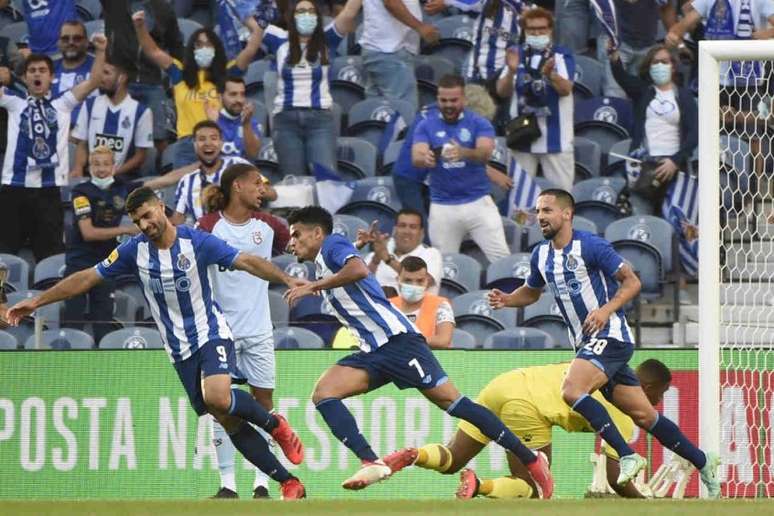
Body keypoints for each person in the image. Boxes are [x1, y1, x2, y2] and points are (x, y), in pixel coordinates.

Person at [5, 186, 308, 500]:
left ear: (161, 208)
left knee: (218, 397)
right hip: (179, 349)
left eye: (147, 216)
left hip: (211, 332)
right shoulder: (133, 251)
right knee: (226, 418)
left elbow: (245, 260)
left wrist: (286, 279)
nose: (144, 225)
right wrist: (37, 301)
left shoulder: (197, 242)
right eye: (137, 221)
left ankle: (275, 425)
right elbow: (87, 278)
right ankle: (288, 481)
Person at [282, 206, 553, 496]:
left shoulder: (332, 246)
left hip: (398, 342)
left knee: (454, 403)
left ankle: (530, 458)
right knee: (324, 392)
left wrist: (316, 285)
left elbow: (358, 269)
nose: (291, 242)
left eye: (297, 234)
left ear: (317, 233)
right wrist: (357, 247)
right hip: (372, 350)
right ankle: (370, 460)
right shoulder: (330, 255)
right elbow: (352, 263)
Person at [485, 188, 721, 497]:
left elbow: (632, 281)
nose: (540, 217)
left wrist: (604, 310)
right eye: (538, 211)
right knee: (644, 415)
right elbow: (531, 292)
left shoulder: (591, 246)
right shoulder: (541, 254)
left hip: (611, 336)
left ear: (566, 214)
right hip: (586, 343)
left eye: (547, 210)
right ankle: (704, 461)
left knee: (572, 390)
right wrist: (507, 299)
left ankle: (627, 455)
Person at [387, 359, 674, 499]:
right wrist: (647, 503)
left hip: (504, 382)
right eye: (660, 394)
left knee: (451, 460)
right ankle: (479, 486)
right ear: (646, 388)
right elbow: (616, 480)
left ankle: (416, 455)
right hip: (526, 407)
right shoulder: (622, 409)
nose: (659, 402)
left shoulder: (598, 369)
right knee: (535, 489)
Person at [197, 163, 291, 499]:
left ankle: (262, 483)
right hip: (220, 332)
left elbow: (294, 245)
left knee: (263, 406)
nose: (263, 190)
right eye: (257, 184)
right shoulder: (208, 226)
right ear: (238, 186)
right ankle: (227, 484)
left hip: (259, 330)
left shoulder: (270, 227)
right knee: (220, 408)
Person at [0, 36, 106, 261]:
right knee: (4, 254)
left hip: (48, 192)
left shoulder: (63, 104)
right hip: (13, 188)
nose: (37, 74)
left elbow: (95, 80)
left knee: (50, 255)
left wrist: (101, 51)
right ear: (25, 77)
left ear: (52, 77)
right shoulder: (13, 102)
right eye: (32, 70)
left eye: (42, 70)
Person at [132, 10, 264, 168]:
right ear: (192, 49)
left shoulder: (227, 74)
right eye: (199, 44)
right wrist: (140, 27)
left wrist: (253, 25)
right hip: (187, 145)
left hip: (217, 142)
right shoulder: (179, 74)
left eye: (209, 44)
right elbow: (152, 51)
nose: (204, 48)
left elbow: (250, 51)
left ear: (216, 49)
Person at [411, 74, 510, 263]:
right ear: (437, 99)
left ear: (463, 99)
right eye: (443, 100)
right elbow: (416, 156)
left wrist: (463, 152)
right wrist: (427, 158)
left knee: (501, 259)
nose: (448, 104)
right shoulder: (426, 125)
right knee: (443, 265)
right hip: (443, 206)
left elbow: (485, 153)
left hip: (478, 203)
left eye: (454, 100)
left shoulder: (479, 123)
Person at [258, 0, 362, 176]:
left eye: (310, 11)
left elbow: (350, 12)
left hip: (320, 120)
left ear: (317, 16)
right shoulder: (278, 39)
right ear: (292, 17)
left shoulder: (327, 39)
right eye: (301, 11)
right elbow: (251, 18)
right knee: (294, 182)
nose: (306, 15)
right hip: (286, 121)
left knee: (326, 180)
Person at [63, 146, 140, 343]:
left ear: (114, 166)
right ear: (89, 167)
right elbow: (88, 233)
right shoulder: (80, 192)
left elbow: (160, 182)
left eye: (106, 164)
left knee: (103, 324)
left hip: (106, 265)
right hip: (78, 264)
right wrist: (126, 230)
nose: (101, 168)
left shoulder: (123, 188)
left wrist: (189, 169)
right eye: (96, 164)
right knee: (73, 323)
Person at [609, 44, 698, 209]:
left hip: (674, 167)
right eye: (655, 62)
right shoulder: (643, 91)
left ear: (673, 66)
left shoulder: (684, 96)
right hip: (644, 166)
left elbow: (694, 133)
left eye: (664, 62)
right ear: (648, 67)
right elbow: (621, 76)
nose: (659, 66)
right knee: (641, 216)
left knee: (674, 223)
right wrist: (614, 56)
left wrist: (674, 161)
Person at [496, 7, 575, 192]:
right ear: (524, 31)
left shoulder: (561, 55)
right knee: (519, 198)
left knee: (561, 197)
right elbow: (502, 92)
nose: (537, 33)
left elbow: (566, 90)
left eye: (542, 29)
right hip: (521, 136)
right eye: (531, 29)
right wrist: (512, 72)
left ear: (550, 30)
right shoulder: (516, 53)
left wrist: (550, 75)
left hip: (557, 138)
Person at [172, 120, 277, 225]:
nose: (208, 143)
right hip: (204, 238)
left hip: (242, 234)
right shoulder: (187, 181)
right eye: (201, 139)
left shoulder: (239, 165)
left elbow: (272, 194)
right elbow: (177, 220)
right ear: (194, 144)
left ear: (221, 143)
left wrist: (245, 188)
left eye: (213, 138)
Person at [70, 61, 154, 178]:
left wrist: (113, 173)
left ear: (122, 78)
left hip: (123, 181)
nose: (101, 78)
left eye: (106, 73)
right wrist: (78, 168)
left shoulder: (141, 112)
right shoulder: (90, 105)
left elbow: (140, 156)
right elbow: (82, 144)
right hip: (91, 178)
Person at [359, 0, 439, 112]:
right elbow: (391, 2)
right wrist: (421, 28)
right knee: (404, 114)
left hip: (381, 49)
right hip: (389, 51)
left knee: (379, 114)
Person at [596, 0, 677, 98]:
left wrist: (679, 43)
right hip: (616, 42)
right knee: (615, 97)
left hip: (647, 44)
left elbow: (666, 7)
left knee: (646, 98)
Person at [359, 208, 443, 295]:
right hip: (376, 306)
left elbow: (424, 281)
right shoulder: (378, 253)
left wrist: (388, 259)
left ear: (421, 233)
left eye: (413, 227)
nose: (407, 231)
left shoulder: (431, 254)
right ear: (394, 230)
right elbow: (362, 284)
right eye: (402, 226)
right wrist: (375, 260)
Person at [388, 256, 454, 349]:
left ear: (427, 281)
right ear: (397, 280)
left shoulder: (441, 305)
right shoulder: (387, 306)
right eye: (408, 280)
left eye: (420, 281)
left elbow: (443, 340)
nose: (414, 285)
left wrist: (407, 341)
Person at [52, 20, 96, 125]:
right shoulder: (48, 69)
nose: (71, 42)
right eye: (65, 39)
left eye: (77, 39)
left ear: (86, 42)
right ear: (58, 43)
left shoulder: (99, 67)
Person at [207, 76, 262, 160]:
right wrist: (214, 125)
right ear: (220, 97)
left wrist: (246, 124)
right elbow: (208, 158)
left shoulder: (252, 123)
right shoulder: (212, 122)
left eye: (242, 94)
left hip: (245, 172)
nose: (239, 100)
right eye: (233, 94)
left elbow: (253, 154)